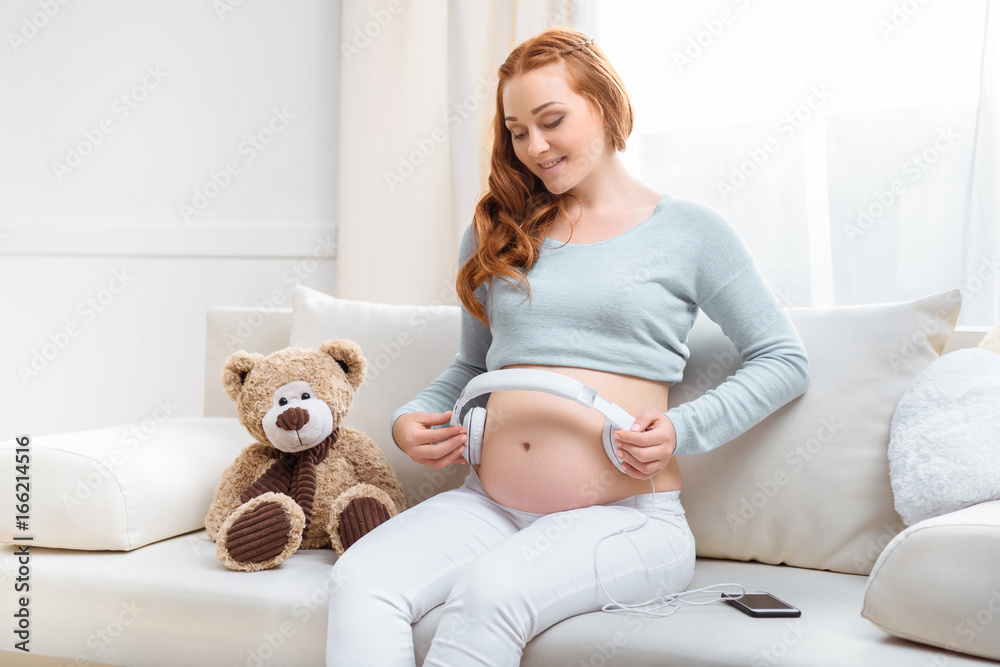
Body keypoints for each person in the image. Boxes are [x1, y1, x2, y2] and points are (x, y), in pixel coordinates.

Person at [326, 27, 809, 666]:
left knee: (488, 594)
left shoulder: (692, 232)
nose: (535, 147)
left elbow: (784, 358)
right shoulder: (497, 233)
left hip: (627, 518)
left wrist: (680, 429)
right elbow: (472, 365)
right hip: (488, 505)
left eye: (552, 121)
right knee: (361, 581)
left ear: (607, 107)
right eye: (517, 131)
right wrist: (410, 416)